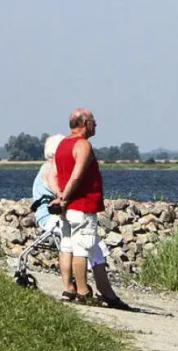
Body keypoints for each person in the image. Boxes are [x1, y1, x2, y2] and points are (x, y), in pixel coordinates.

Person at [51, 109, 131, 310]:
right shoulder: (82, 145)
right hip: (82, 205)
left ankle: (68, 287)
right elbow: (77, 176)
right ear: (84, 123)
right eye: (93, 121)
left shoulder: (62, 145)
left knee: (67, 246)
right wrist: (66, 196)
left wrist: (60, 197)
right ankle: (83, 291)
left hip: (67, 208)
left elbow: (54, 174)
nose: (96, 125)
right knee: (82, 248)